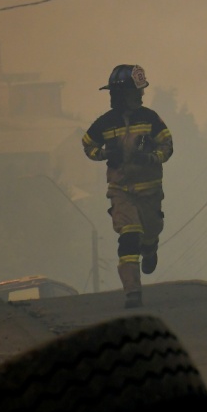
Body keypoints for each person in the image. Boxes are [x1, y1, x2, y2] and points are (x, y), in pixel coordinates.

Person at [82, 64, 173, 309]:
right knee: (129, 237)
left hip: (150, 192)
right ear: (121, 95)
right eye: (136, 92)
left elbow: (167, 145)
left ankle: (150, 247)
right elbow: (87, 144)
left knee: (151, 230)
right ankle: (132, 291)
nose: (141, 95)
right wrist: (104, 154)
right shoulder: (105, 123)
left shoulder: (150, 119)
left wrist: (151, 157)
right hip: (121, 192)